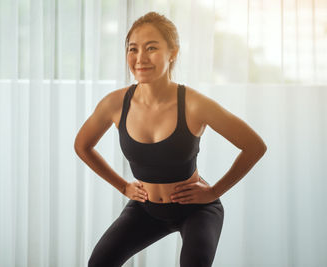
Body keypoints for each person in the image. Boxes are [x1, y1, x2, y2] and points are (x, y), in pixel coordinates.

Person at [74, 11, 267, 267]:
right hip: (146, 209)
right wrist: (123, 187)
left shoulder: (195, 104)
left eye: (151, 48)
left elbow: (254, 146)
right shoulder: (115, 104)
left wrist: (213, 192)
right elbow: (83, 146)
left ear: (173, 52)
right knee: (99, 263)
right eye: (133, 49)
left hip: (196, 210)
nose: (140, 58)